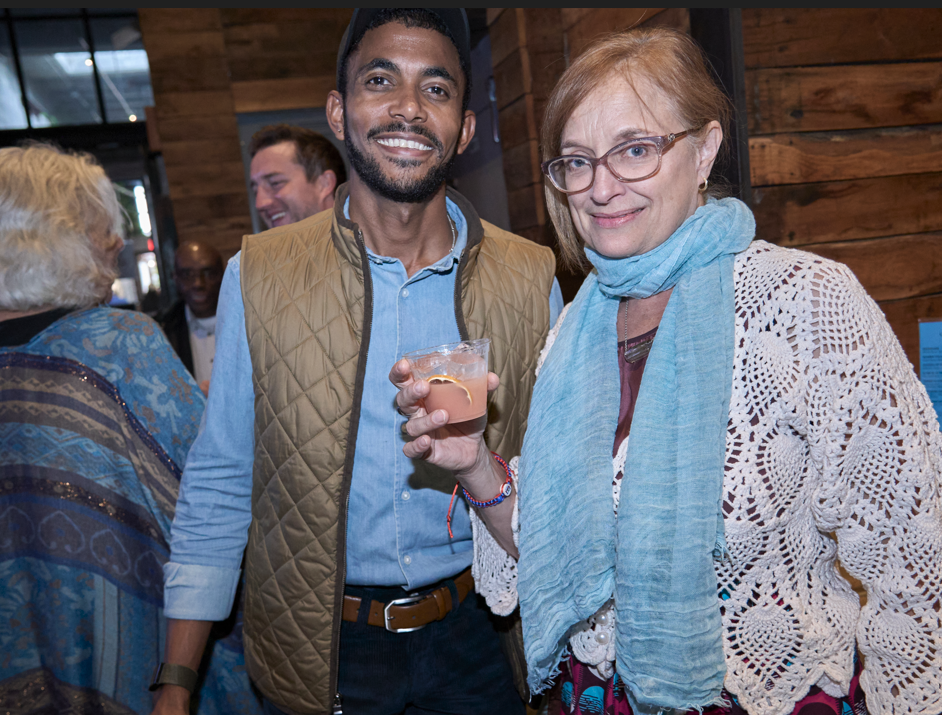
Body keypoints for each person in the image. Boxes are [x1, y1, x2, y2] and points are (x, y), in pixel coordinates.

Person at [396, 27, 942, 715]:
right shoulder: (574, 330)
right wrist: (473, 462)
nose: (601, 187)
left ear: (705, 149)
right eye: (578, 161)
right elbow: (556, 553)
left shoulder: (806, 304)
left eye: (634, 149)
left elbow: (914, 560)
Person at [152, 9, 564, 715]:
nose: (408, 107)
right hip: (325, 647)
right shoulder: (263, 274)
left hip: (483, 637)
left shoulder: (530, 278)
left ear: (464, 127)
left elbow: (560, 484)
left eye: (436, 89)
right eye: (382, 80)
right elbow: (222, 477)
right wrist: (176, 682)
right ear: (340, 112)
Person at [0, 144, 262, 715]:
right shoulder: (119, 345)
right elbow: (211, 493)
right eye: (101, 226)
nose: (118, 242)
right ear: (55, 237)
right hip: (146, 659)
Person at [158, 240, 225, 395]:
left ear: (222, 274)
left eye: (208, 273)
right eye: (187, 275)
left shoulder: (248, 321)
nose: (198, 283)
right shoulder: (164, 331)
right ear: (175, 278)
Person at [249, 124, 347, 228]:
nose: (260, 204)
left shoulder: (362, 241)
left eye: (275, 183)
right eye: (255, 191)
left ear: (324, 184)